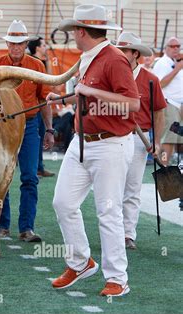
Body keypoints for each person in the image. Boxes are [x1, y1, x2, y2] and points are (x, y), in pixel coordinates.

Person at [47, 4, 141, 297]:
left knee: (107, 212)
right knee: (62, 203)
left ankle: (117, 279)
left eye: (74, 30)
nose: (73, 35)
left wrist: (90, 93)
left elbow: (132, 104)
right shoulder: (90, 57)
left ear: (82, 31)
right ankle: (80, 262)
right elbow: (89, 99)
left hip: (110, 144)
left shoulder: (113, 58)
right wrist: (65, 99)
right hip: (82, 141)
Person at [0, 20, 53, 242]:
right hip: (2, 126)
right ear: (7, 43)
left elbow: (44, 98)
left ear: (26, 43)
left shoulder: (37, 66)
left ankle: (26, 228)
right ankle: (2, 225)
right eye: (12, 43)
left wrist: (50, 129)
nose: (15, 47)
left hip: (29, 124)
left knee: (29, 176)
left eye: (19, 43)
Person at [115, 32, 167, 250]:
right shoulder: (112, 76)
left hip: (139, 138)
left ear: (135, 53)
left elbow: (159, 113)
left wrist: (157, 142)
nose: (119, 54)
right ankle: (113, 231)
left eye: (123, 51)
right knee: (112, 188)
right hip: (114, 136)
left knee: (132, 187)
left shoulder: (151, 80)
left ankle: (128, 234)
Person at [152, 37, 183, 165]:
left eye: (178, 46)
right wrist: (177, 69)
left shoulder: (176, 62)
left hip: (178, 105)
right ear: (166, 48)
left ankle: (169, 165)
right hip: (168, 103)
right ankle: (163, 166)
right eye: (172, 46)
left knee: (176, 139)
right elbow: (159, 84)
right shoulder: (162, 63)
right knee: (168, 139)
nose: (175, 48)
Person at [28, 36, 55, 177]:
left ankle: (38, 166)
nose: (46, 47)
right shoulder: (32, 62)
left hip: (41, 103)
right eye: (43, 45)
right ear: (37, 47)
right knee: (36, 137)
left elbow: (49, 79)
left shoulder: (42, 62)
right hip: (36, 105)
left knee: (37, 137)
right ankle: (37, 167)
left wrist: (48, 61)